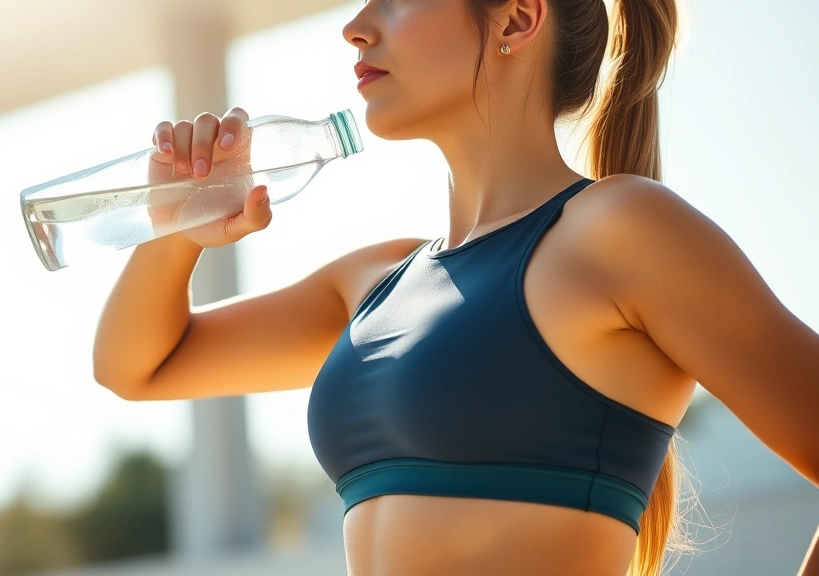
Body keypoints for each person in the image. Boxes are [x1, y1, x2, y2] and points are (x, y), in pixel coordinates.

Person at [93, 0, 819, 573]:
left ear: (516, 18)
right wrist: (179, 232)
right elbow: (139, 367)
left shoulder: (621, 229)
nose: (355, 26)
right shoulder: (376, 280)